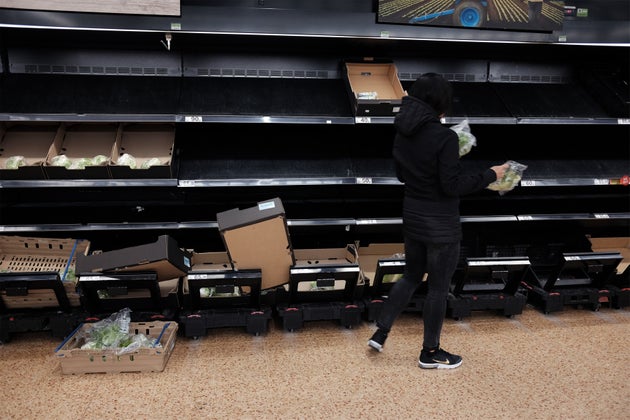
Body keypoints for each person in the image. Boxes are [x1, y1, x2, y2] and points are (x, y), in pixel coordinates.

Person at [367, 73, 509, 369]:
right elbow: (452, 186)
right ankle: (430, 353)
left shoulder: (403, 130)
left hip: (413, 215)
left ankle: (381, 332)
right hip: (441, 224)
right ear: (441, 103)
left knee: (411, 275)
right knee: (437, 288)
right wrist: (489, 175)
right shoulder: (445, 137)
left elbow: (402, 175)